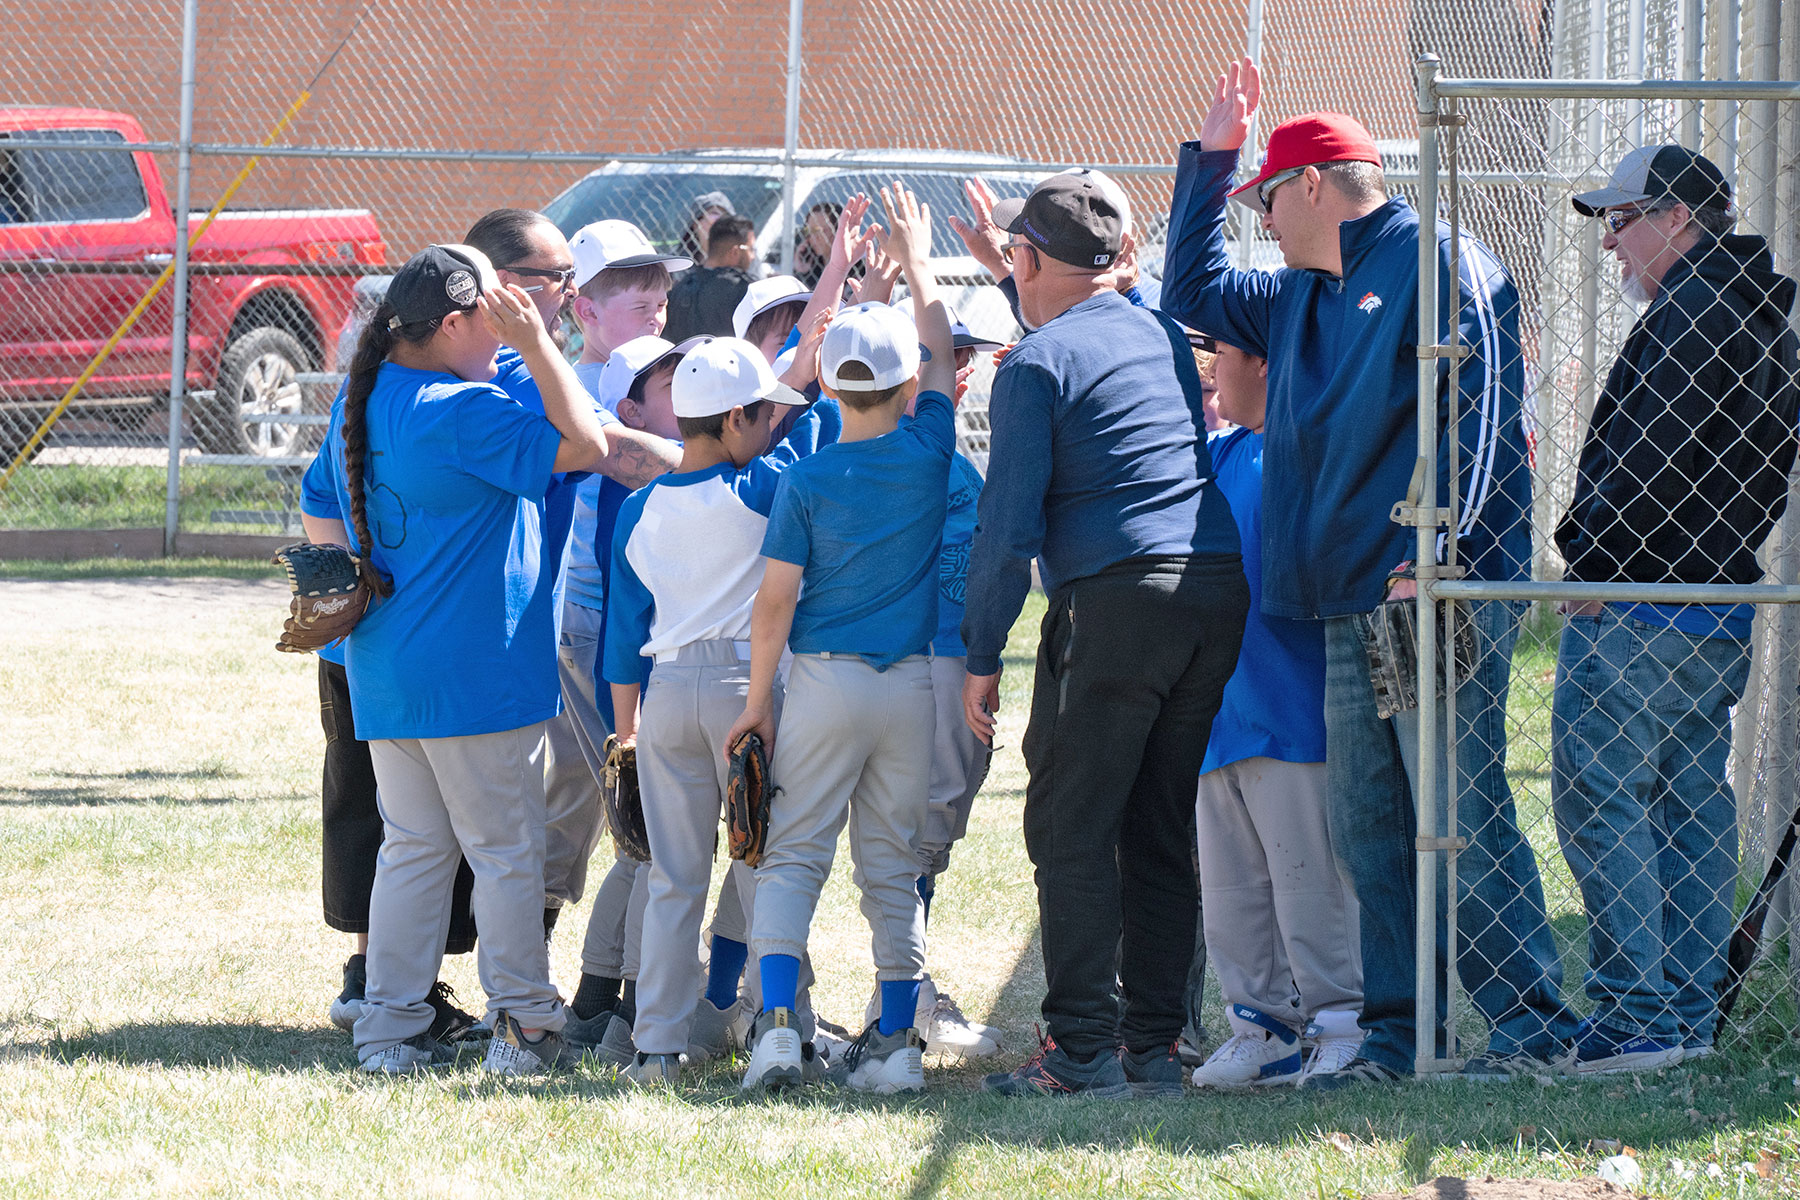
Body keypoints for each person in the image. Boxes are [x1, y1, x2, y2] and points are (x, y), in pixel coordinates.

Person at [1161, 59, 1572, 1086]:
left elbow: (1486, 423)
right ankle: (1400, 1033)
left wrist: (1438, 553)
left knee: (1460, 810)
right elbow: (1189, 293)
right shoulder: (1300, 292)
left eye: (1263, 196)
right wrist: (1210, 163)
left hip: (1431, 590)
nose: (1260, 217)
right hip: (1347, 601)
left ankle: (1532, 1021)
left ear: (1315, 184)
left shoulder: (1437, 257)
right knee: (1370, 825)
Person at [959, 170, 1248, 1100]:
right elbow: (1088, 325)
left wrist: (978, 654)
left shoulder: (1034, 366)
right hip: (1212, 587)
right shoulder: (1160, 331)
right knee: (1159, 826)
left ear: (1030, 259)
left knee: (1071, 823)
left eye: (1015, 256)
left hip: (1118, 599)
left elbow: (1007, 533)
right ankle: (1153, 1047)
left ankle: (1080, 1049)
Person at [306, 244, 612, 1075]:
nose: (505, 338)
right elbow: (584, 441)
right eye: (492, 321)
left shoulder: (363, 399)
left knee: (414, 850)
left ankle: (390, 1028)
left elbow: (314, 500)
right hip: (474, 675)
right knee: (506, 851)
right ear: (449, 325)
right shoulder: (456, 410)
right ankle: (523, 1025)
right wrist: (543, 345)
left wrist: (349, 581)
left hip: (390, 668)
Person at [1552, 145, 1800, 1072]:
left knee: (1601, 799)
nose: (1612, 244)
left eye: (1622, 221)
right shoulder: (1759, 310)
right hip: (1717, 597)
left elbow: (1648, 464)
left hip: (1643, 602)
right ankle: (1687, 1014)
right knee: (1690, 805)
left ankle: (1636, 1017)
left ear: (1678, 219)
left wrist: (1591, 563)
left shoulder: (1691, 312)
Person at [726, 183, 955, 1094]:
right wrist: (919, 262)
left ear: (825, 383)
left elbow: (774, 605)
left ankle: (780, 1027)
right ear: (904, 389)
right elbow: (937, 351)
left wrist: (756, 707)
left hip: (820, 683)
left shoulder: (807, 481)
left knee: (794, 856)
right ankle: (897, 1044)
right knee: (891, 869)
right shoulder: (931, 450)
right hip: (908, 688)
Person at [604, 337, 841, 1085]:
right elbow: (818, 443)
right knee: (766, 866)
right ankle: (789, 1027)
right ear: (736, 418)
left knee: (675, 878)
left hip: (666, 694)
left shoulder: (638, 510)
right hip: (748, 693)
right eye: (766, 415)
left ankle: (656, 1047)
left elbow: (622, 636)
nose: (776, 426)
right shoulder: (768, 486)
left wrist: (627, 734)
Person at [462, 211, 682, 951]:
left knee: (595, 794)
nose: (654, 309)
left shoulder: (644, 376)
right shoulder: (547, 379)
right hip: (582, 621)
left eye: (659, 295)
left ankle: (577, 963)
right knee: (609, 797)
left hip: (603, 618)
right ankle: (575, 969)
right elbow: (609, 450)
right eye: (629, 294)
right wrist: (717, 470)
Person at [1184, 333, 1363, 1090]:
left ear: (1264, 362)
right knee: (1231, 894)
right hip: (1219, 715)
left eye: (1219, 351)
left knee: (1308, 885)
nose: (1208, 367)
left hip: (1290, 711)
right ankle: (1261, 1027)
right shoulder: (1220, 453)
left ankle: (1341, 1023)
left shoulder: (1304, 448)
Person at [551, 218, 690, 1062]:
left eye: (657, 280)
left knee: (637, 837)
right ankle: (631, 1012)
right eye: (625, 282)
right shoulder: (593, 389)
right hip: (611, 642)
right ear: (583, 306)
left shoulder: (633, 375)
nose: (649, 295)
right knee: (650, 830)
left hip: (618, 641)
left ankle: (598, 1004)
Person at [664, 214, 757, 343]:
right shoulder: (746, 290)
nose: (752, 256)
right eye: (751, 249)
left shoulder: (678, 289)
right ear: (735, 252)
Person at [679, 190, 736, 263]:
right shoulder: (678, 263)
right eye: (715, 214)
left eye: (727, 217)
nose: (722, 222)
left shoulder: (745, 259)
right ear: (696, 224)